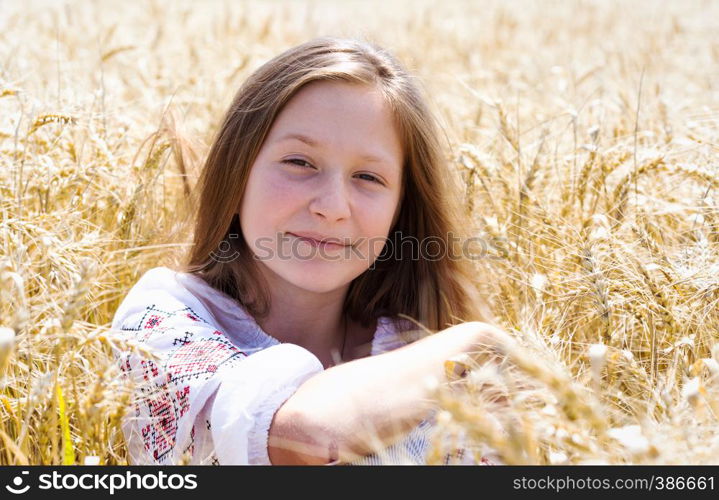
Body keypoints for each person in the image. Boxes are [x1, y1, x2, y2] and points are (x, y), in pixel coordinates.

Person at [110, 36, 510, 465]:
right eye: (300, 162)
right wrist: (476, 339)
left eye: (368, 177)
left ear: (401, 207)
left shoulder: (422, 349)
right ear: (238, 168)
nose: (332, 208)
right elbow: (303, 439)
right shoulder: (163, 319)